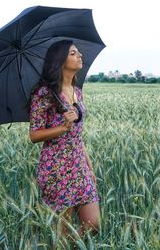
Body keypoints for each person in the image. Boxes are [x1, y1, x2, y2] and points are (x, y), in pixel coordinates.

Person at [28, 40, 100, 243]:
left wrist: (89, 167)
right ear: (60, 61)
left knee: (93, 223)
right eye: (73, 53)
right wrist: (62, 127)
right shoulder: (44, 93)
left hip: (79, 165)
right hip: (57, 167)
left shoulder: (77, 91)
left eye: (79, 53)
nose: (80, 56)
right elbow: (34, 135)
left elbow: (77, 135)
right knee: (62, 232)